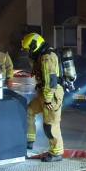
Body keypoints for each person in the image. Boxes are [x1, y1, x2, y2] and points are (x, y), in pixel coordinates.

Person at [22, 32, 64, 162]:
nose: (28, 52)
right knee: (29, 111)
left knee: (50, 125)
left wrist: (47, 100)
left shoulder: (47, 58)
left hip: (51, 95)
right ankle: (29, 140)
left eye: (28, 49)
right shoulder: (41, 56)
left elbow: (50, 82)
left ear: (35, 45)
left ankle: (56, 153)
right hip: (43, 93)